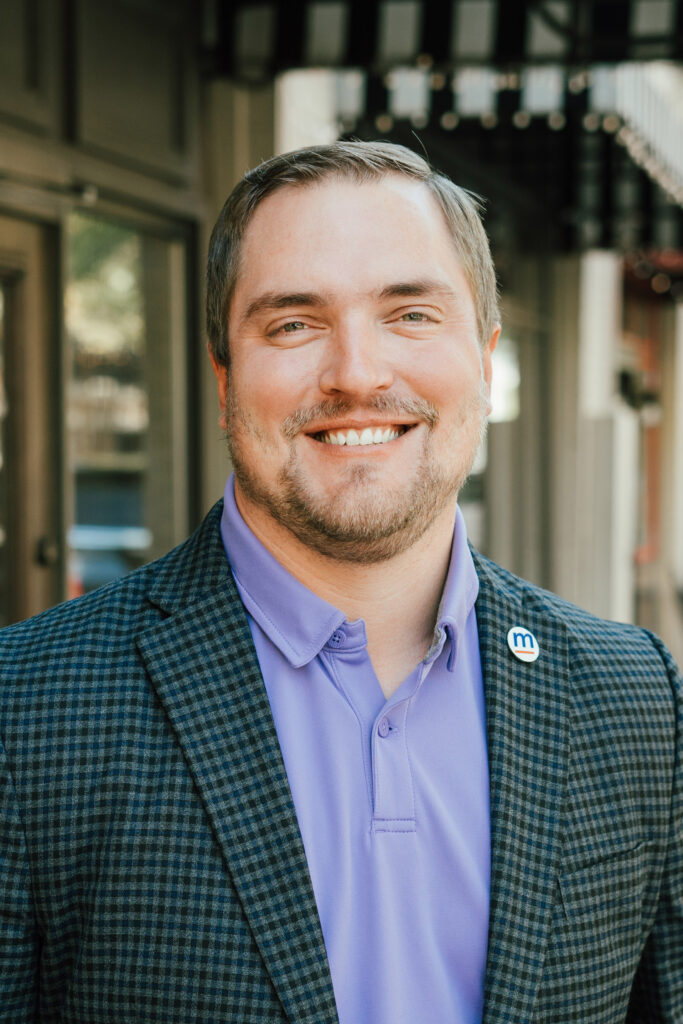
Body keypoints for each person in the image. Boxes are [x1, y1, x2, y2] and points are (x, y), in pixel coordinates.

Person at [0, 141, 681, 1024]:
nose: (357, 373)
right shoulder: (26, 706)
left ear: (484, 358)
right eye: (293, 324)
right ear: (223, 377)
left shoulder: (635, 698)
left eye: (410, 314)